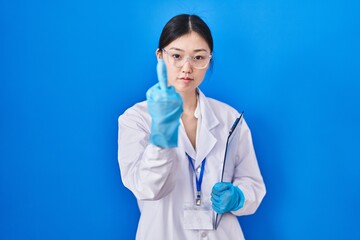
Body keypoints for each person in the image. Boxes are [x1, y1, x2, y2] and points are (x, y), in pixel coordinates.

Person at [118, 14, 266, 240]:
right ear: (160, 56)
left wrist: (239, 196)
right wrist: (162, 132)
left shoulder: (229, 117)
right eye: (176, 56)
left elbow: (253, 184)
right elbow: (148, 188)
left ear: (209, 59)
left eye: (198, 57)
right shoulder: (136, 119)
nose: (187, 68)